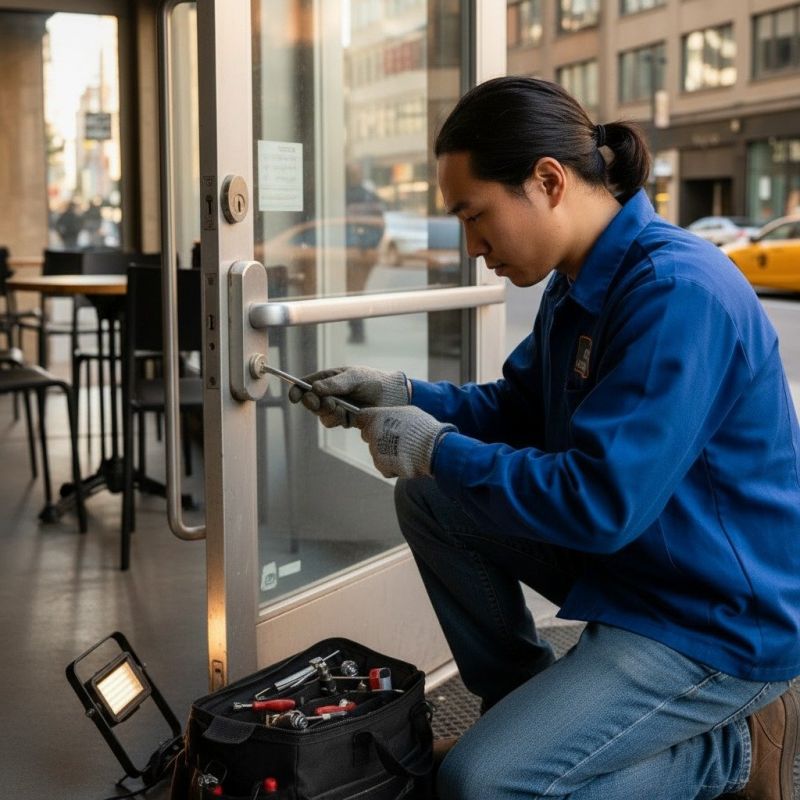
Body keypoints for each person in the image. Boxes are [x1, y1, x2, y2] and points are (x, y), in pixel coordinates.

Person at [289, 76, 800, 800]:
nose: (472, 246)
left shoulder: (675, 292)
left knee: (480, 785)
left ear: (548, 180)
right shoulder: (580, 279)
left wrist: (435, 445)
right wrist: (406, 396)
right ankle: (525, 708)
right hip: (644, 566)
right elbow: (518, 406)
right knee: (432, 498)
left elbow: (600, 503)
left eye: (476, 215)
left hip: (714, 616)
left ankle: (731, 754)